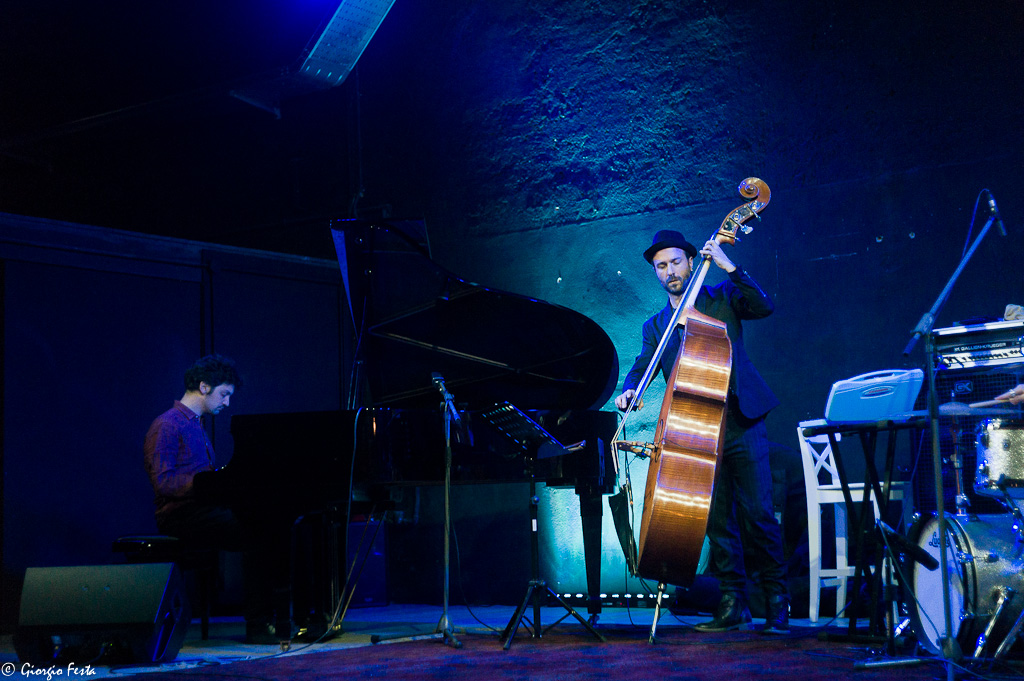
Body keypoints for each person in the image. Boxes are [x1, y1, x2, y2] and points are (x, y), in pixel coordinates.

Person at [615, 229, 790, 633]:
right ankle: (733, 603)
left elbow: (763, 306)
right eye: (662, 266)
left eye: (676, 262)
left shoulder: (722, 297)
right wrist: (630, 389)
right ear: (656, 273)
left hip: (741, 420)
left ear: (691, 261)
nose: (670, 271)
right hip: (696, 429)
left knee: (759, 514)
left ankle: (777, 601)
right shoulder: (657, 326)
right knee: (717, 522)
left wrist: (730, 266)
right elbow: (642, 367)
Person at [144, 354, 285, 645]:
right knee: (255, 532)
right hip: (179, 516)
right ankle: (258, 622)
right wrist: (210, 484)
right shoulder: (167, 425)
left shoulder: (196, 425)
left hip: (200, 511)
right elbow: (164, 482)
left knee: (265, 524)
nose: (227, 402)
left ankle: (269, 617)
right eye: (224, 394)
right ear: (204, 387)